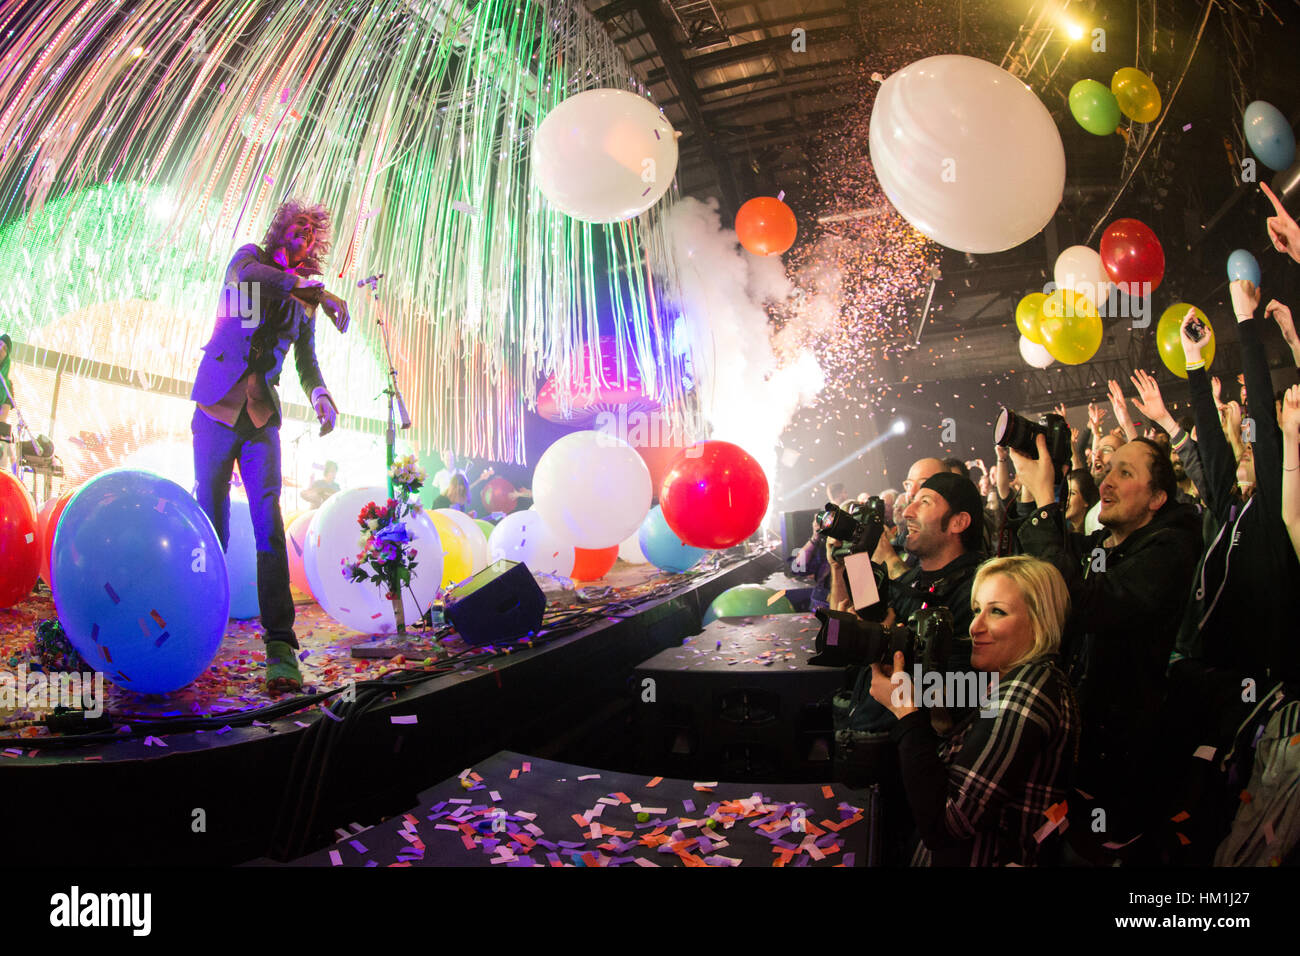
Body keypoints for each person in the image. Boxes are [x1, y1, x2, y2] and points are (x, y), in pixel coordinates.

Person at [1012, 423, 1201, 855]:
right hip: (1087, 746)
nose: (1106, 481)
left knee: (1102, 849)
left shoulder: (1169, 550)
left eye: (1125, 473)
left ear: (1156, 499)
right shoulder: (1106, 545)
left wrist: (1047, 503)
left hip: (1126, 758)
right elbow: (1049, 563)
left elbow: (1080, 600)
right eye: (1108, 469)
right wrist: (1031, 491)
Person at [191, 199, 350, 694]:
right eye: (296, 225)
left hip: (261, 416)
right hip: (217, 406)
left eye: (311, 230)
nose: (303, 234)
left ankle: (280, 644)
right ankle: (199, 623)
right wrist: (311, 290)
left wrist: (321, 393)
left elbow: (306, 360)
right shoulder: (249, 259)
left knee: (269, 525)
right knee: (211, 519)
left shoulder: (306, 298)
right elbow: (253, 277)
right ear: (282, 228)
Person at [868, 555, 1080, 866]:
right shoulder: (1020, 680)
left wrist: (906, 714)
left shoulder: (1027, 690)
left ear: (1039, 622)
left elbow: (946, 825)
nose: (975, 626)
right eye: (977, 610)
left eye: (997, 612)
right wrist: (935, 716)